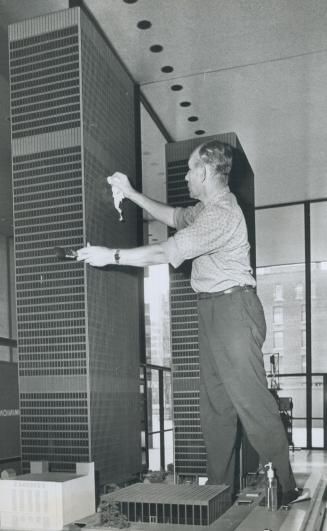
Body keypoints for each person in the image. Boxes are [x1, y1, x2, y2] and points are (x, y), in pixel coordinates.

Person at [77, 140, 302, 505]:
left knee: (251, 401)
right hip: (214, 309)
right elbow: (175, 218)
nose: (185, 175)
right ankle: (219, 492)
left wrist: (110, 255)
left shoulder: (222, 213)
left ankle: (289, 487)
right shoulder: (206, 209)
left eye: (189, 169)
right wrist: (132, 193)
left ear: (205, 172)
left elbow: (167, 252)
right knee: (216, 408)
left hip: (234, 309)